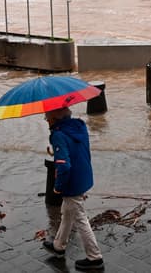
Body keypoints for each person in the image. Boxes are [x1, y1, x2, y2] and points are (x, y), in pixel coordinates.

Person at [42, 107, 104, 271]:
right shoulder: (79, 126)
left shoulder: (58, 135)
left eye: (47, 117)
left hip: (72, 183)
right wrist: (57, 153)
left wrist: (57, 187)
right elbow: (77, 151)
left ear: (54, 118)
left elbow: (64, 167)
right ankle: (59, 245)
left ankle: (94, 257)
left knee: (79, 218)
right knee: (67, 212)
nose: (46, 120)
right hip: (84, 175)